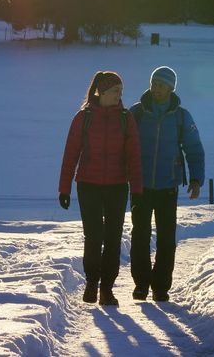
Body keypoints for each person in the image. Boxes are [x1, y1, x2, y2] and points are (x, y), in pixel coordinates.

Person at [58, 70, 143, 307]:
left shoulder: (126, 119)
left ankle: (107, 288)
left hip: (117, 186)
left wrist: (137, 190)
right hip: (88, 185)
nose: (119, 95)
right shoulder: (83, 118)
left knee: (113, 238)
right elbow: (70, 155)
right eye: (115, 91)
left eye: (121, 92)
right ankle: (91, 283)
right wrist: (64, 189)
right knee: (93, 237)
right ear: (102, 92)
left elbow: (134, 157)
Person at [129, 65, 205, 302]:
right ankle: (141, 285)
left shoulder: (182, 116)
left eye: (161, 85)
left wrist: (195, 179)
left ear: (171, 87)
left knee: (166, 238)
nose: (156, 88)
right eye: (154, 83)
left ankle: (161, 286)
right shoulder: (136, 113)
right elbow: (124, 146)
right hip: (140, 185)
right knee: (139, 236)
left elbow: (194, 149)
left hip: (168, 185)